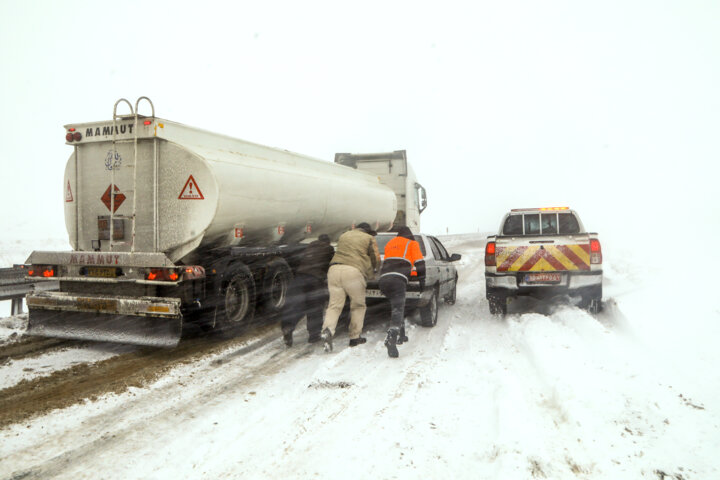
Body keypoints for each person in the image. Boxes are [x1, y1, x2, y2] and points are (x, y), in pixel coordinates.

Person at [320, 222, 380, 352]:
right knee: (358, 305)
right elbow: (375, 257)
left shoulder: (344, 235)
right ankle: (355, 338)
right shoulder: (369, 238)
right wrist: (374, 271)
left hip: (334, 270)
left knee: (334, 305)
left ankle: (327, 330)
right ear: (367, 231)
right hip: (353, 271)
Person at [280, 234, 335, 347]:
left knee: (296, 306)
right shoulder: (329, 249)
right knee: (314, 307)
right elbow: (331, 265)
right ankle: (313, 336)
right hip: (315, 280)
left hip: (299, 278)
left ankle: (288, 327)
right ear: (328, 242)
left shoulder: (309, 247)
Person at [378, 226, 425, 358]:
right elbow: (420, 264)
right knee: (398, 308)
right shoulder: (412, 243)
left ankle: (401, 335)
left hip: (383, 280)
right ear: (409, 235)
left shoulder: (390, 243)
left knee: (397, 306)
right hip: (397, 280)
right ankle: (392, 337)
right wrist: (422, 281)